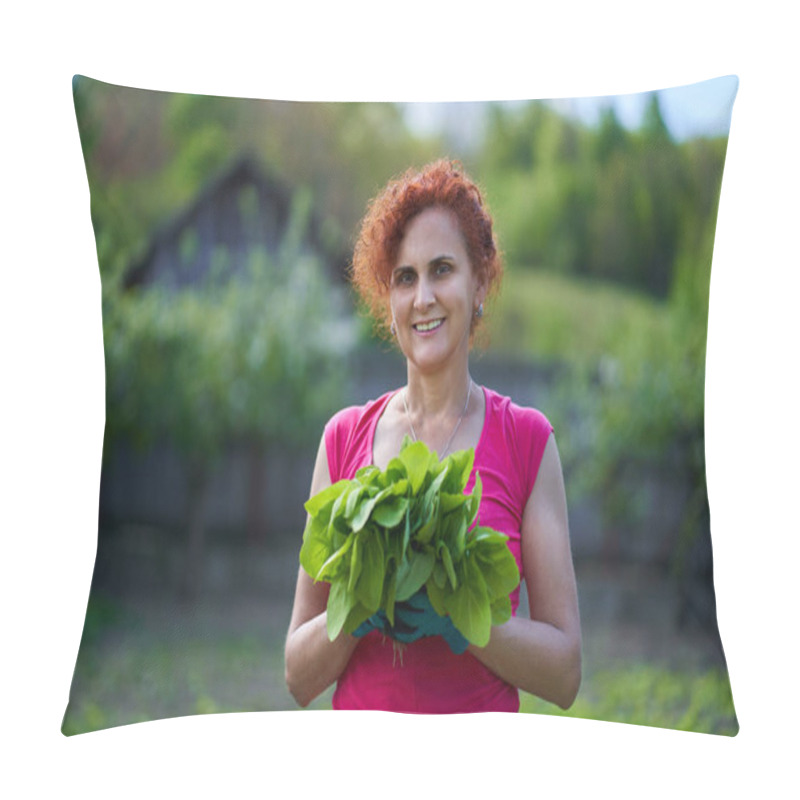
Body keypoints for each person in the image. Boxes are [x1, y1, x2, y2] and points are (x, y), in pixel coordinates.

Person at [285, 159, 581, 713]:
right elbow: (298, 676)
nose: (422, 296)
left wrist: (466, 620)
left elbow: (565, 673)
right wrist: (357, 608)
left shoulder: (527, 442)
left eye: (442, 269)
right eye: (405, 276)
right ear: (388, 302)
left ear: (479, 284)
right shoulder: (342, 438)